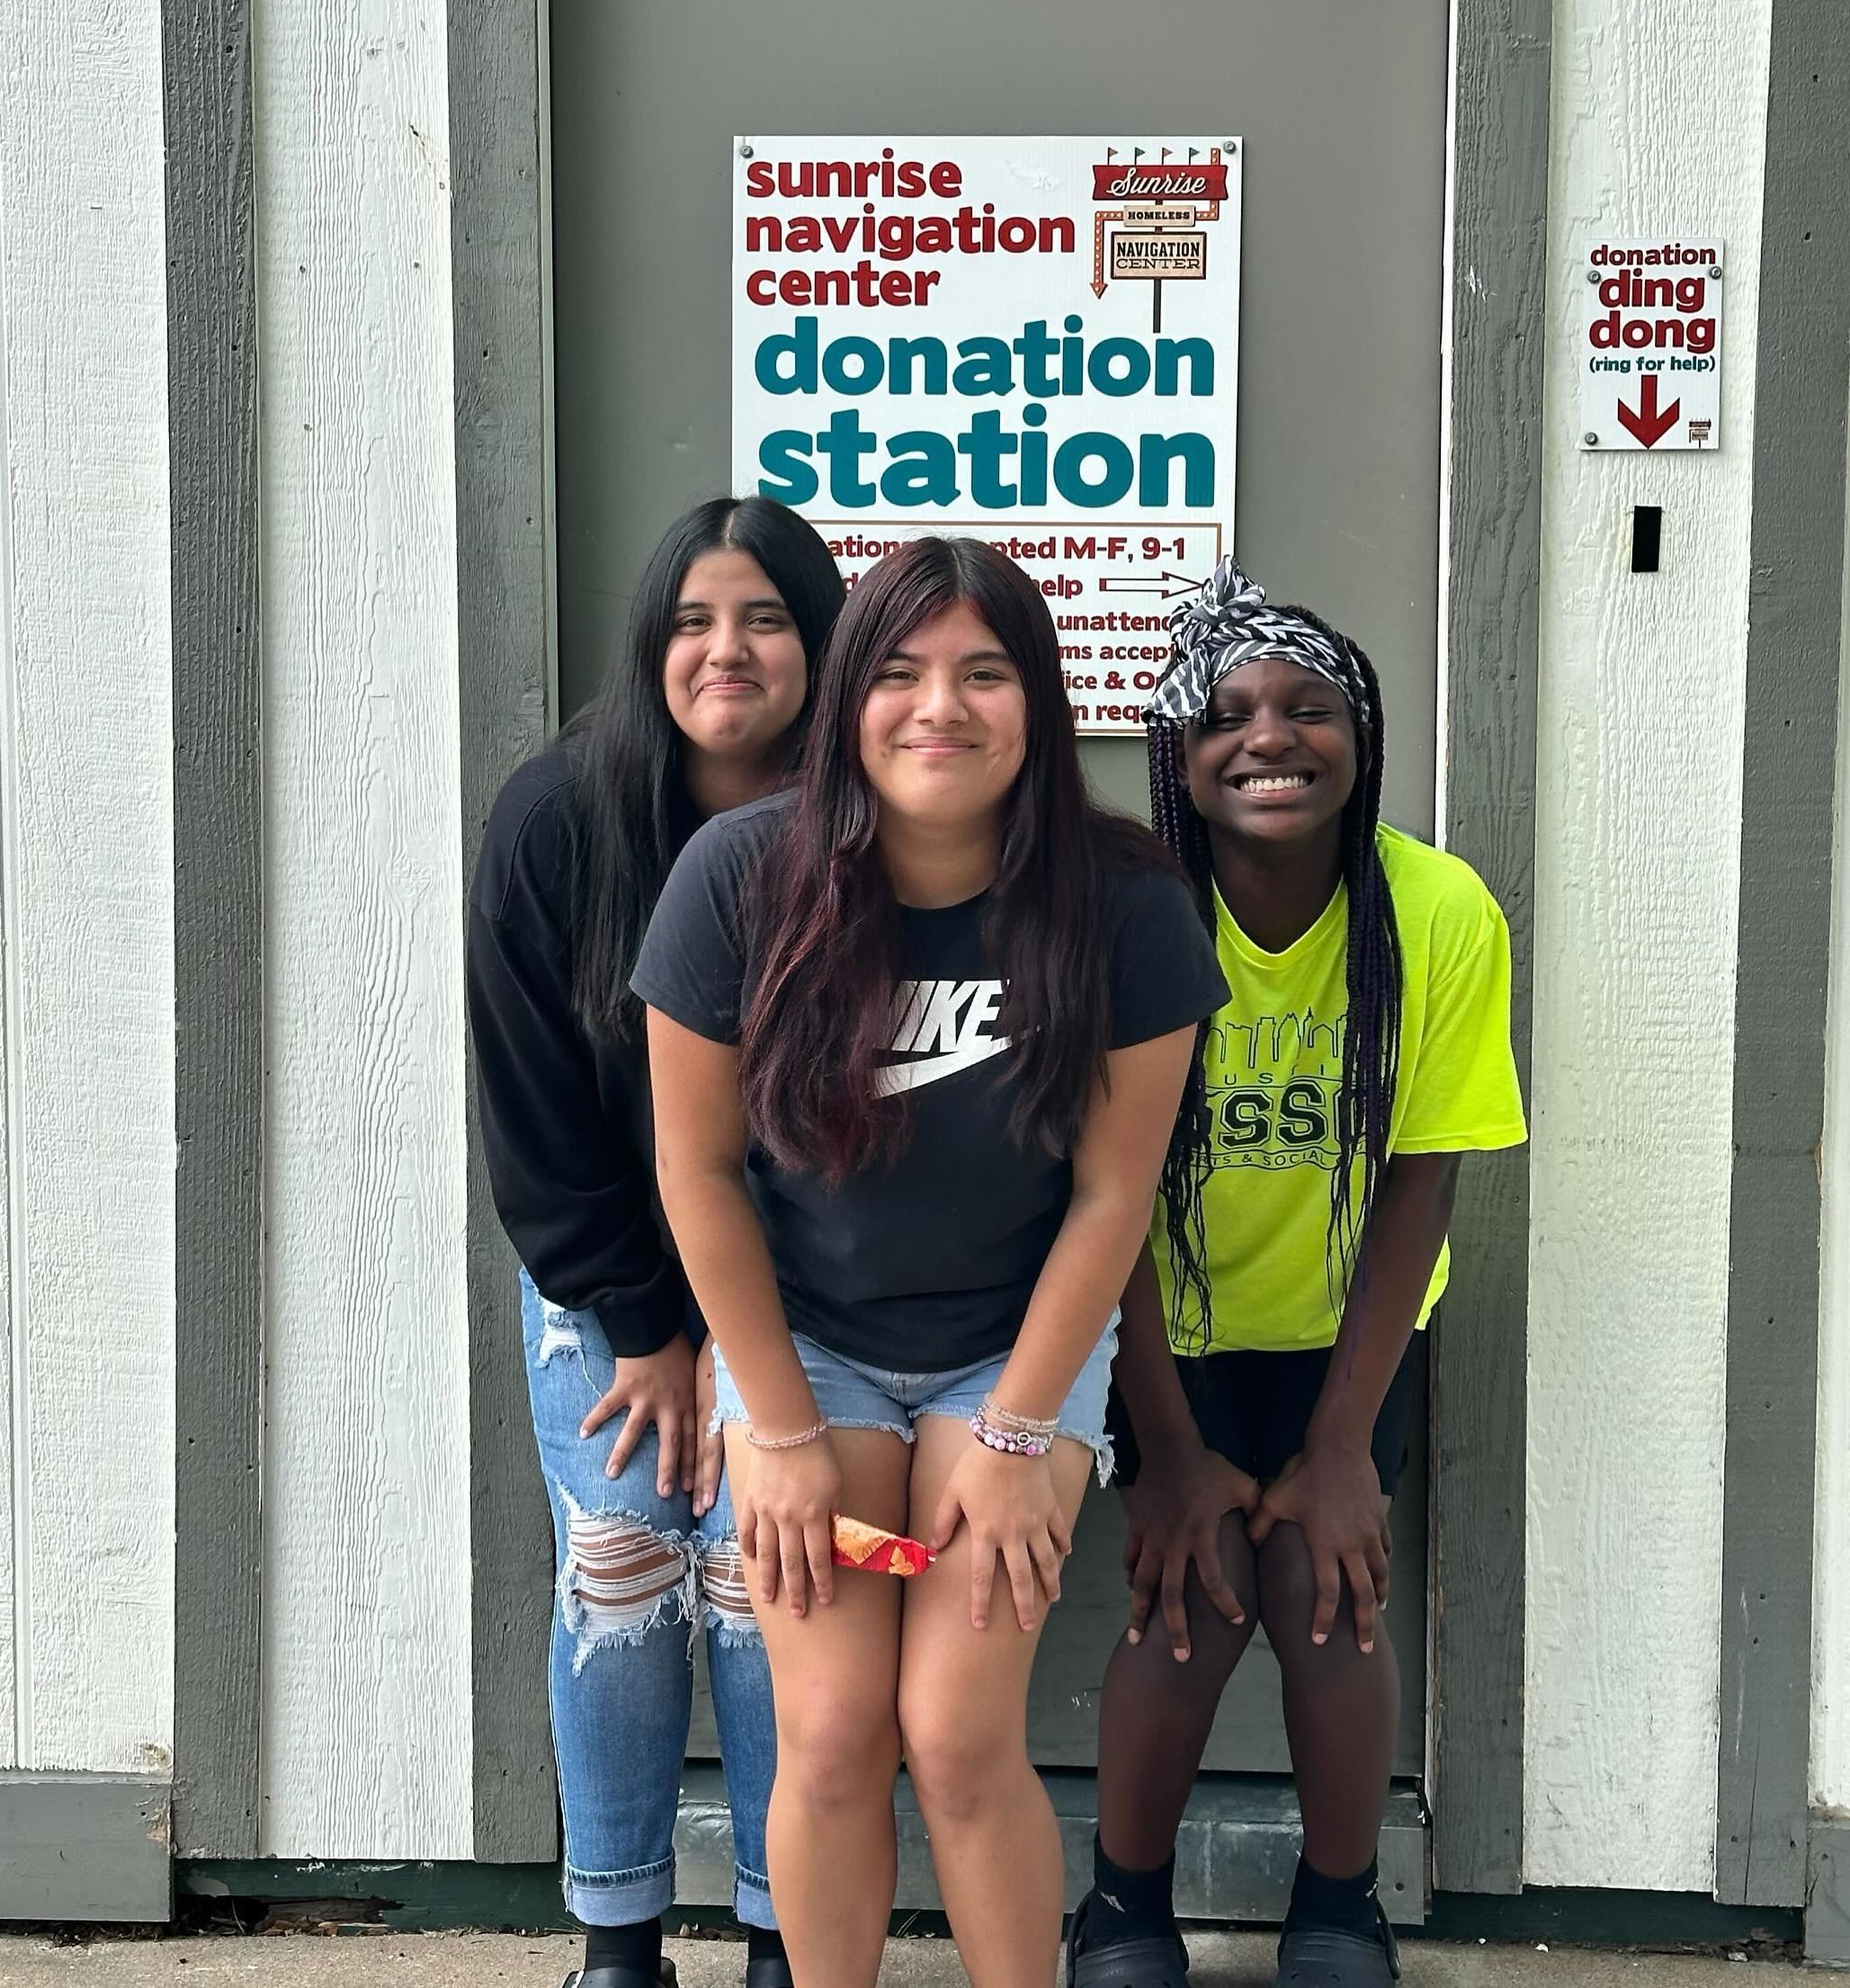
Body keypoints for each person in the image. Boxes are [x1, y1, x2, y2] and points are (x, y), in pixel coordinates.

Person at [631, 537, 1228, 1988]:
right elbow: (694, 1167)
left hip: (1007, 1352)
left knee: (959, 1732)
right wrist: (770, 1425)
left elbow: (1110, 1194)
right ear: (845, 700)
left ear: (1038, 697)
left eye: (981, 671)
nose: (936, 707)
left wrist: (1022, 1432)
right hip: (811, 1350)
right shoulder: (737, 879)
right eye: (894, 671)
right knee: (832, 1728)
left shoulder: (1129, 904)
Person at [1067, 561, 1527, 1988]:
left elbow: (1423, 1173)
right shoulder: (1127, 916)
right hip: (1167, 1327)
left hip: (1349, 1330)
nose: (1269, 735)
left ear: (1360, 732)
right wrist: (1169, 1451)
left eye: (1306, 706)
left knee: (1325, 1588)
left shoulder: (1436, 910)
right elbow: (1106, 1196)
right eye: (1227, 716)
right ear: (1176, 762)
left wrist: (1339, 1446)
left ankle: (1340, 1905)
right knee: (1187, 1590)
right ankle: (1123, 1909)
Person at [467, 496, 845, 1988]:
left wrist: (739, 1337)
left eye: (762, 617)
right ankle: (617, 1940)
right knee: (618, 1581)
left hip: (812, 1292)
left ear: (821, 643)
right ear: (650, 642)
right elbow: (534, 1111)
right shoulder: (558, 818)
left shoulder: (864, 827)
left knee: (775, 1595)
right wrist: (646, 1323)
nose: (726, 649)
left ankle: (779, 1932)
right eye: (692, 619)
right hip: (602, 1285)